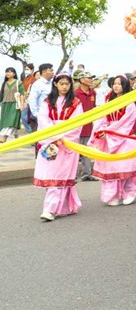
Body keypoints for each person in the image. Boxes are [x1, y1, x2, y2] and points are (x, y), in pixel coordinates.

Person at [33, 73, 84, 221]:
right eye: (61, 83)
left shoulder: (76, 102)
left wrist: (62, 137)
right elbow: (43, 119)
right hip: (51, 143)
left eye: (67, 84)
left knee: (61, 177)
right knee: (53, 176)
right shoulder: (48, 101)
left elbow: (77, 123)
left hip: (67, 144)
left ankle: (51, 209)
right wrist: (54, 137)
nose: (64, 87)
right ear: (55, 84)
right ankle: (61, 207)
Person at [90, 75, 136, 206]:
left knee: (126, 168)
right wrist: (100, 130)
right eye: (114, 83)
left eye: (119, 83)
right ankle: (112, 195)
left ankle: (129, 192)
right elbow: (102, 118)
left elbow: (126, 123)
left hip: (125, 138)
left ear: (124, 85)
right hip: (109, 137)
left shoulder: (130, 103)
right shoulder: (109, 102)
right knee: (111, 168)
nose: (116, 86)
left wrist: (108, 131)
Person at [73, 71, 100, 182]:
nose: (91, 80)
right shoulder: (76, 93)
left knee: (87, 150)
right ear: (82, 80)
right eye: (88, 78)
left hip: (89, 125)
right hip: (77, 127)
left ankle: (87, 173)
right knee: (74, 152)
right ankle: (72, 175)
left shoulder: (93, 92)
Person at [28, 63, 55, 133]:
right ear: (43, 72)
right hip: (42, 116)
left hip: (53, 115)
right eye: (51, 70)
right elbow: (32, 100)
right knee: (43, 138)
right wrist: (36, 115)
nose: (53, 72)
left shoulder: (54, 83)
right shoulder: (37, 85)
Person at [0, 67, 25, 142]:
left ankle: (4, 138)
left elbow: (22, 94)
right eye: (7, 72)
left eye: (10, 72)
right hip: (5, 105)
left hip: (15, 105)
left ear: (14, 74)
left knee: (11, 120)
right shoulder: (4, 83)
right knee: (6, 121)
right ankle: (16, 135)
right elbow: (2, 95)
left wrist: (22, 104)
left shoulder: (18, 82)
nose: (8, 73)